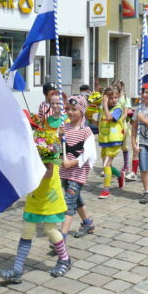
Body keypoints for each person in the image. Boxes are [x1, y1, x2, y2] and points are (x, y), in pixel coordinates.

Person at [0, 115, 71, 282]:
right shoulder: (26, 146)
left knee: (49, 229)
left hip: (49, 197)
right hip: (35, 196)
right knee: (27, 230)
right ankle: (17, 269)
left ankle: (65, 259)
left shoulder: (45, 144)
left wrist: (30, 168)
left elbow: (49, 172)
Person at [59, 95, 97, 240]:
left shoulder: (86, 131)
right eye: (68, 109)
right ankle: (88, 223)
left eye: (74, 109)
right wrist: (59, 136)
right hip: (65, 171)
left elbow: (87, 154)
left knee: (68, 203)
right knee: (76, 199)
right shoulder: (65, 128)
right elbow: (62, 147)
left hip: (77, 172)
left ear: (82, 110)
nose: (70, 112)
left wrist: (72, 163)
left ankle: (61, 237)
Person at [98, 86, 125, 198]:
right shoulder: (102, 109)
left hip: (114, 141)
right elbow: (100, 122)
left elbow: (109, 118)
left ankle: (106, 189)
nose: (114, 100)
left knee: (106, 165)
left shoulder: (118, 109)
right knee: (107, 164)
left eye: (115, 97)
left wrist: (104, 104)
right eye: (111, 98)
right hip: (104, 140)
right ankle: (120, 175)